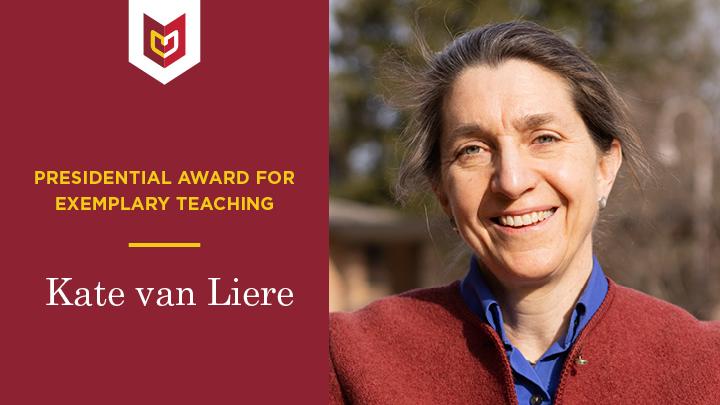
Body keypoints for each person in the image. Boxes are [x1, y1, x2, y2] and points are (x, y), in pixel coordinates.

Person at [329, 21, 720, 404]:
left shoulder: (705, 365)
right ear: (442, 191)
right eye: (473, 150)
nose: (512, 181)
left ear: (605, 166)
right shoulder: (345, 361)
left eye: (544, 138)